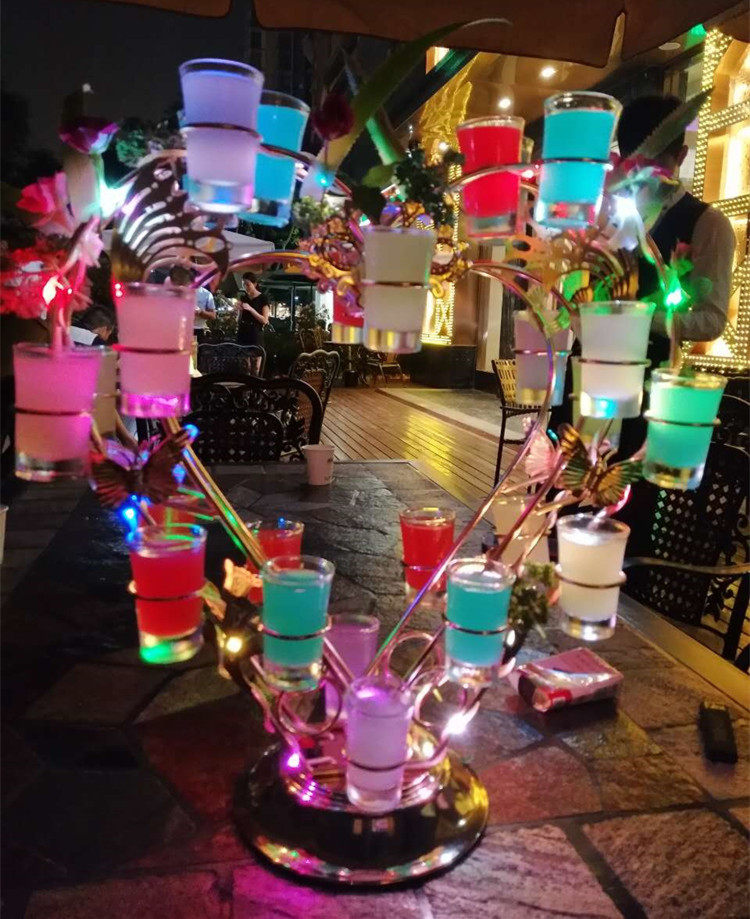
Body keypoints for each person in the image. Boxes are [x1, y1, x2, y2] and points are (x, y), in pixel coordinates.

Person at [616, 94, 736, 364]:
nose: (645, 177)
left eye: (656, 165)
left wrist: (646, 318)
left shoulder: (708, 223)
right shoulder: (608, 214)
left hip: (654, 374)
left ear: (681, 156)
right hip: (586, 365)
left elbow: (712, 319)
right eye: (635, 166)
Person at [168, 265, 216, 344]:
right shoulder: (179, 291)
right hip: (179, 328)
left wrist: (200, 312)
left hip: (197, 330)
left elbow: (213, 315)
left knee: (194, 351)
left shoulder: (206, 294)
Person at [237, 271, 270, 375]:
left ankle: (255, 384)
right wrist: (238, 311)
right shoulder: (244, 298)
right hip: (243, 332)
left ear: (254, 284)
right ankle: (245, 385)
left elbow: (264, 320)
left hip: (255, 333)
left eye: (248, 284)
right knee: (245, 366)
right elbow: (239, 319)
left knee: (255, 367)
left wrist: (251, 309)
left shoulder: (263, 298)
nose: (246, 287)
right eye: (244, 284)